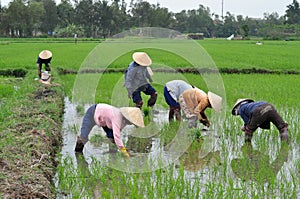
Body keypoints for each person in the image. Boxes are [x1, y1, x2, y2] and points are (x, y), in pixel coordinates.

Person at [75, 104, 145, 157]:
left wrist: (121, 147)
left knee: (113, 139)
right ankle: (78, 155)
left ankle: (112, 155)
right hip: (92, 113)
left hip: (104, 120)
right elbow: (117, 135)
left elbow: (117, 133)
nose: (131, 124)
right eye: (132, 122)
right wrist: (124, 152)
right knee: (83, 138)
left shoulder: (124, 120)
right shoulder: (117, 117)